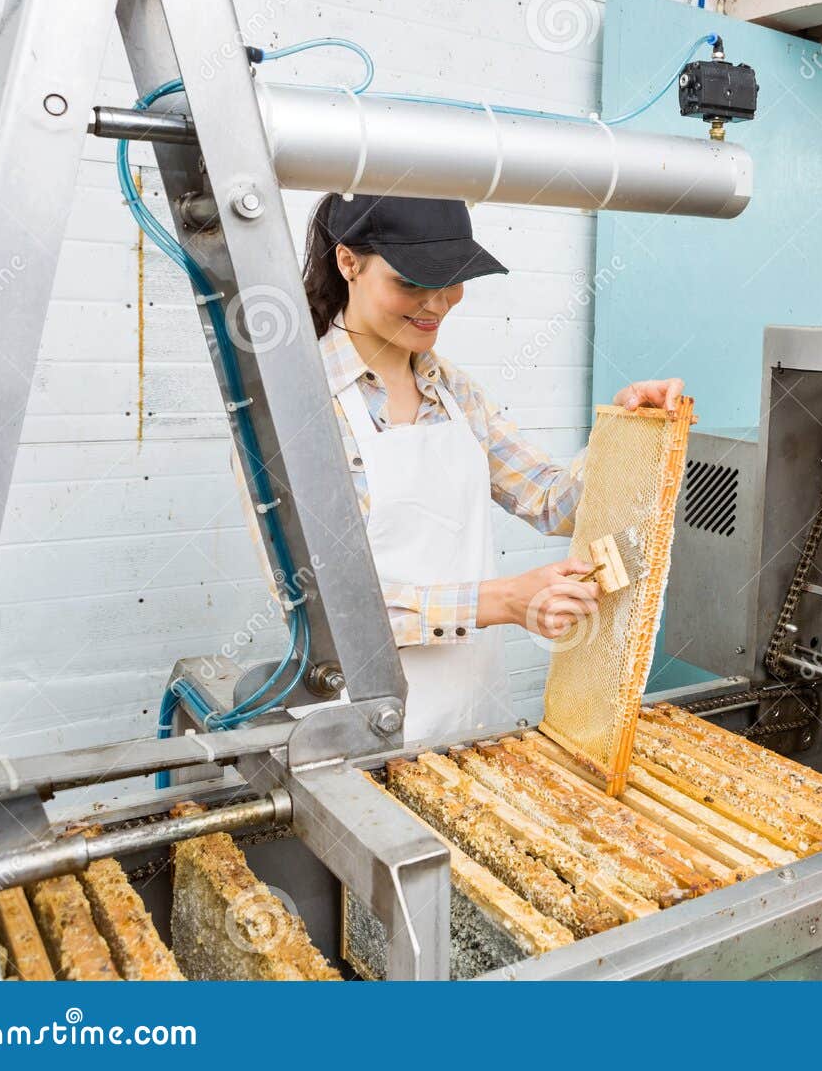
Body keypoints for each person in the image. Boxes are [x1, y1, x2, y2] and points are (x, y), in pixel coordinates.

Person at [238, 193, 682, 741]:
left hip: (475, 721)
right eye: (411, 282)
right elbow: (324, 610)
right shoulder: (298, 408)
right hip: (361, 732)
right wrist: (503, 602)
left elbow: (550, 503)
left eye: (451, 279)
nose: (437, 304)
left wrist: (626, 428)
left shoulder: (452, 391)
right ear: (348, 262)